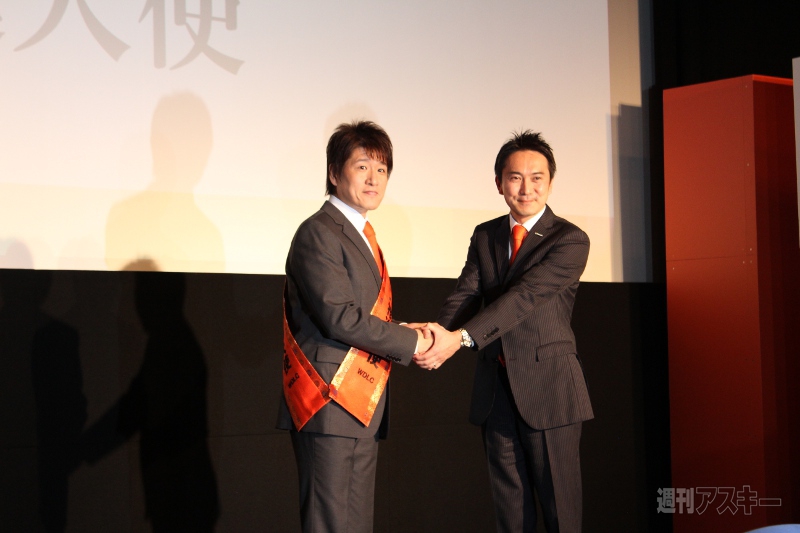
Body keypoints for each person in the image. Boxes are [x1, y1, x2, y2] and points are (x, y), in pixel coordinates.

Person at [412, 131, 593, 532]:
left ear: (550, 183)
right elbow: (465, 293)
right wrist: (431, 335)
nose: (526, 188)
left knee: (561, 514)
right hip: (497, 393)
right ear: (499, 183)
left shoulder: (570, 240)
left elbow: (524, 298)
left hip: (550, 390)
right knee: (510, 515)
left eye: (537, 178)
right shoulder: (486, 235)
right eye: (515, 177)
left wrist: (459, 339)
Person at [277, 121, 433, 532]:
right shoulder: (318, 232)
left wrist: (403, 328)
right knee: (330, 522)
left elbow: (361, 313)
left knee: (355, 523)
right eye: (362, 166)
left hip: (361, 401)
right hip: (329, 399)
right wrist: (412, 341)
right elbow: (339, 317)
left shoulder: (362, 233)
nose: (373, 179)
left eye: (381, 169)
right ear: (334, 172)